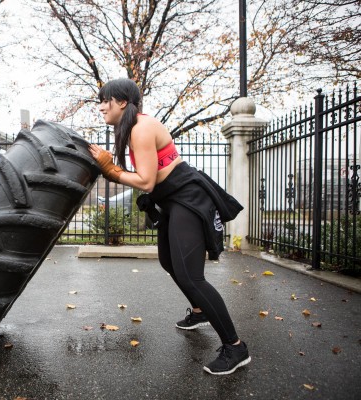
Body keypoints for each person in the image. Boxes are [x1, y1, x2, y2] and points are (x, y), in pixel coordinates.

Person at [88, 78, 251, 375]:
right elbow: (151, 179)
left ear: (122, 102)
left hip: (187, 198)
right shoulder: (130, 128)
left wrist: (111, 171)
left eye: (105, 100)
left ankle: (235, 347)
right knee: (169, 261)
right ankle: (200, 311)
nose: (100, 106)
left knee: (191, 276)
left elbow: (146, 181)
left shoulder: (141, 128)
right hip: (172, 198)